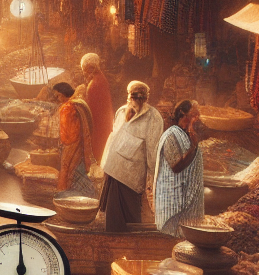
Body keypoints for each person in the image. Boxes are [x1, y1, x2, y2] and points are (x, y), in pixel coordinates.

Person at [100, 80, 162, 232]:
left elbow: (152, 149)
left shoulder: (153, 117)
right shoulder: (122, 112)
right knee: (120, 214)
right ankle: (121, 244)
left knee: (129, 212)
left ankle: (127, 243)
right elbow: (114, 138)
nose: (136, 100)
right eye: (135, 96)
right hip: (115, 169)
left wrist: (152, 174)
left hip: (131, 174)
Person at [154, 100, 205, 237]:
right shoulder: (171, 135)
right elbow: (176, 167)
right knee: (174, 239)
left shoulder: (187, 134)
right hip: (174, 203)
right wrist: (193, 148)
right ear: (183, 114)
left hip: (186, 202)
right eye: (194, 115)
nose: (197, 119)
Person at [52, 81, 96, 197]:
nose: (57, 98)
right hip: (79, 142)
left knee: (66, 167)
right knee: (77, 168)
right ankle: (83, 191)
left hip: (71, 142)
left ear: (63, 93)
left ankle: (63, 192)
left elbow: (67, 131)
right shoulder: (78, 102)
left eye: (58, 95)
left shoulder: (67, 107)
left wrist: (63, 143)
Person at [81, 53, 114, 168]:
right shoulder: (99, 78)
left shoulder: (95, 84)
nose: (84, 72)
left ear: (91, 68)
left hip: (98, 124)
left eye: (85, 69)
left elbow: (90, 109)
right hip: (103, 122)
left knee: (98, 153)